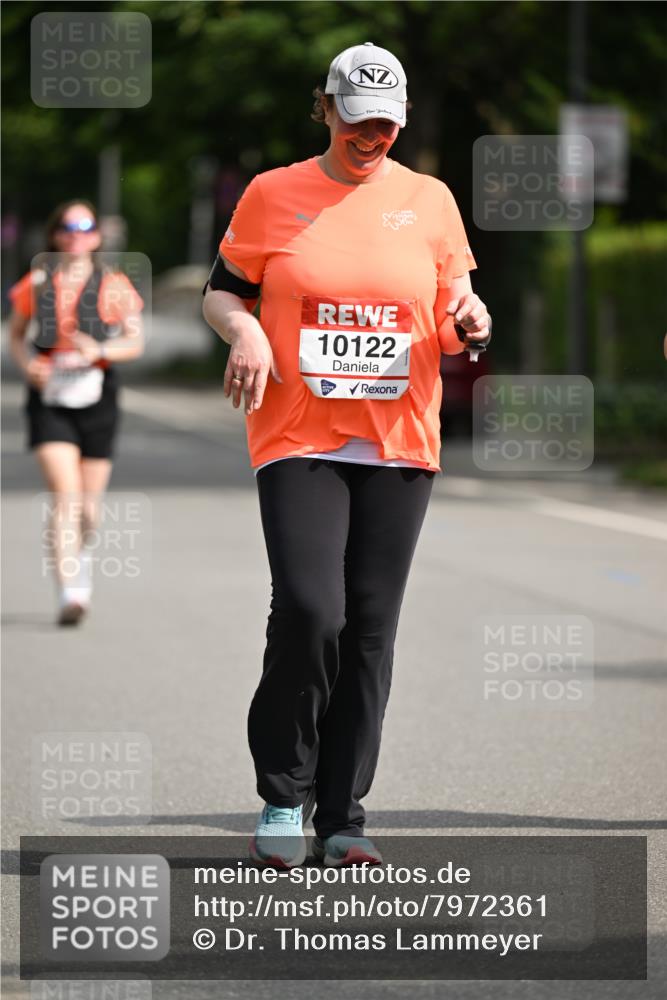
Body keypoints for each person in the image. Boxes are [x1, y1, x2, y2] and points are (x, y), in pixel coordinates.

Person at [203, 43, 491, 868]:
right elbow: (223, 289)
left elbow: (452, 302)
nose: (374, 138)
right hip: (297, 430)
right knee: (309, 610)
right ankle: (282, 797)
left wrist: (473, 318)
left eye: (388, 125)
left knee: (369, 628)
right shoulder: (273, 193)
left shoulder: (429, 199)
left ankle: (344, 815)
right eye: (360, 121)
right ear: (325, 109)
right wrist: (248, 329)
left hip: (399, 437)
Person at [8, 200, 144, 625]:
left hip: (97, 396)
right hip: (49, 397)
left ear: (97, 237)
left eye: (85, 227)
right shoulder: (37, 282)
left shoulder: (114, 284)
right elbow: (15, 335)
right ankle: (71, 591)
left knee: (89, 508)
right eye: (67, 227)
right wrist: (26, 364)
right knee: (63, 496)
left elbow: (134, 342)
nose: (76, 234)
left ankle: (79, 561)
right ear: (55, 235)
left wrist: (100, 349)